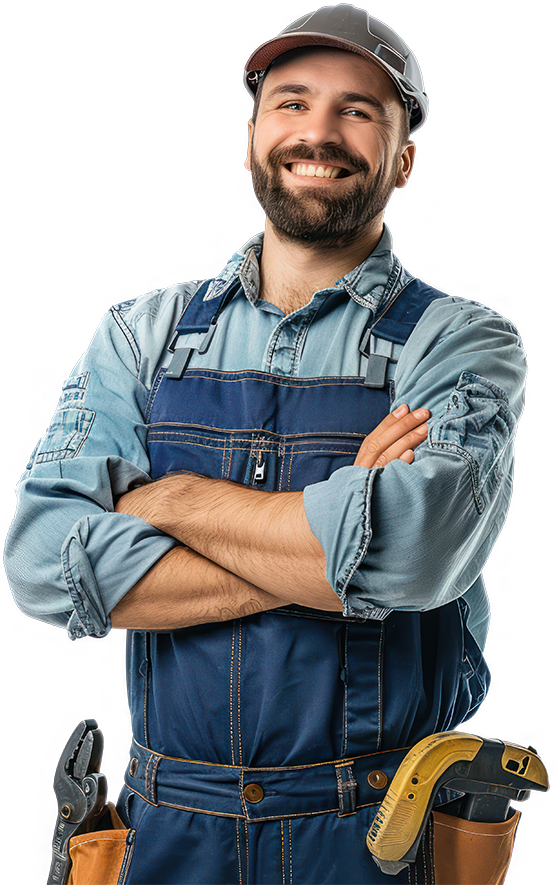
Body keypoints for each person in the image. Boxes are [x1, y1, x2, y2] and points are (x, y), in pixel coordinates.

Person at [4, 5, 528, 884]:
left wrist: (166, 501)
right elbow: (42, 564)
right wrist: (338, 535)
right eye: (291, 103)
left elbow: (413, 557)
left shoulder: (462, 344)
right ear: (250, 142)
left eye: (357, 110)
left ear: (404, 160)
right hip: (167, 830)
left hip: (379, 835)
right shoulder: (141, 334)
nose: (318, 132)